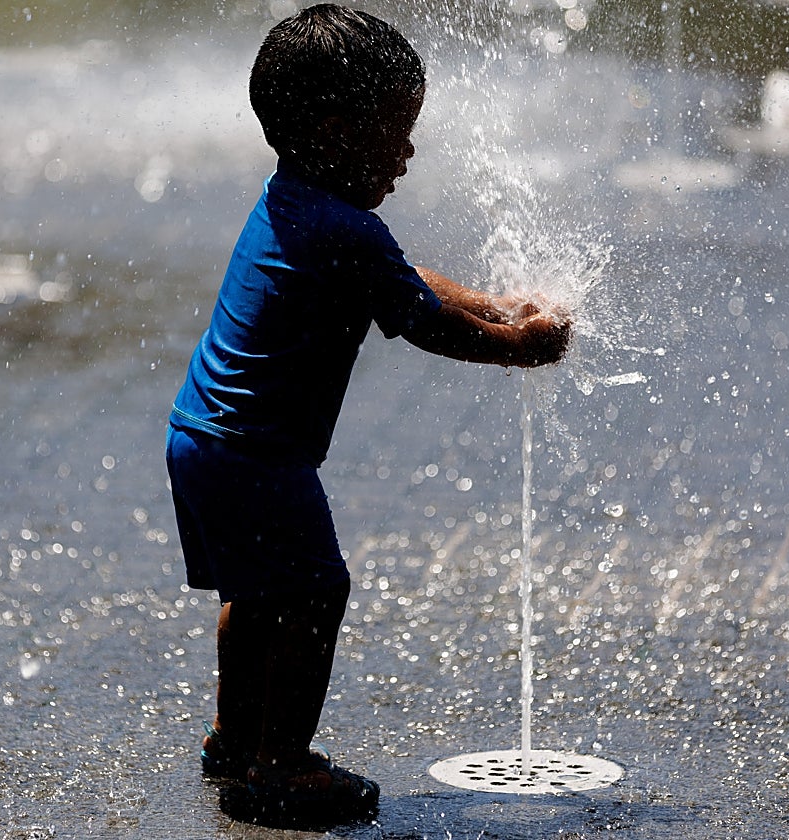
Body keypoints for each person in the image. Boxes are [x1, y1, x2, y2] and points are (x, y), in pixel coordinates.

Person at [165, 3, 570, 825]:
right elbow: (422, 318)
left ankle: (236, 741)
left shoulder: (297, 202)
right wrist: (515, 346)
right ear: (335, 128)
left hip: (202, 438)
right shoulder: (344, 228)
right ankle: (281, 766)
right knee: (315, 590)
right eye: (397, 131)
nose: (409, 153)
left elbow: (405, 279)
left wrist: (494, 303)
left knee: (254, 595)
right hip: (260, 456)